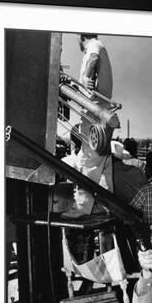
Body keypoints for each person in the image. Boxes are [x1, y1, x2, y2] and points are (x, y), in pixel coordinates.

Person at [62, 34, 114, 219]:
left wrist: (86, 75)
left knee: (87, 160)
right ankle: (105, 205)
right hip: (100, 110)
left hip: (94, 112)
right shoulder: (99, 45)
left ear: (80, 35)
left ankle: (82, 207)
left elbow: (93, 58)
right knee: (102, 161)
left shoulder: (94, 45)